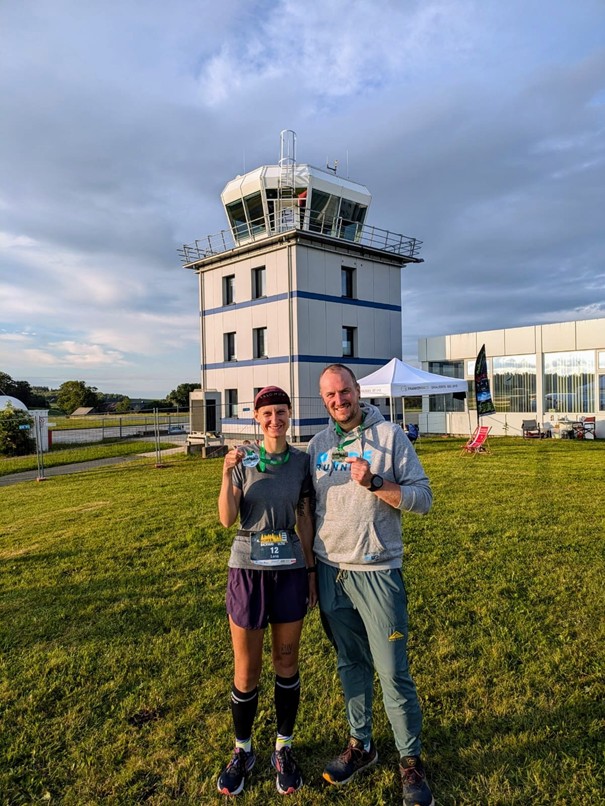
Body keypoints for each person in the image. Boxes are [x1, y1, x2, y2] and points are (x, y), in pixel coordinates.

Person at [307, 364, 434, 806]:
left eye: (344, 391)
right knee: (350, 665)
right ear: (323, 400)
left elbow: (424, 499)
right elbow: (311, 510)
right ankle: (361, 745)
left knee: (393, 672)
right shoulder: (318, 445)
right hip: (330, 573)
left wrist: (377, 482)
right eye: (330, 395)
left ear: (358, 391)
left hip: (377, 572)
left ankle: (410, 762)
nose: (338, 400)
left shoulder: (392, 438)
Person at [216, 386, 316, 797]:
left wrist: (309, 569)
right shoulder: (242, 460)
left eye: (280, 411)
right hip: (247, 568)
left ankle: (283, 748)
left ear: (290, 415)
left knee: (286, 662)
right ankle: (243, 751)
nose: (274, 419)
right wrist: (225, 473)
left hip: (290, 568)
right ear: (256, 419)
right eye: (267, 413)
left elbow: (305, 517)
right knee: (247, 669)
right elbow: (225, 519)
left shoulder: (302, 462)